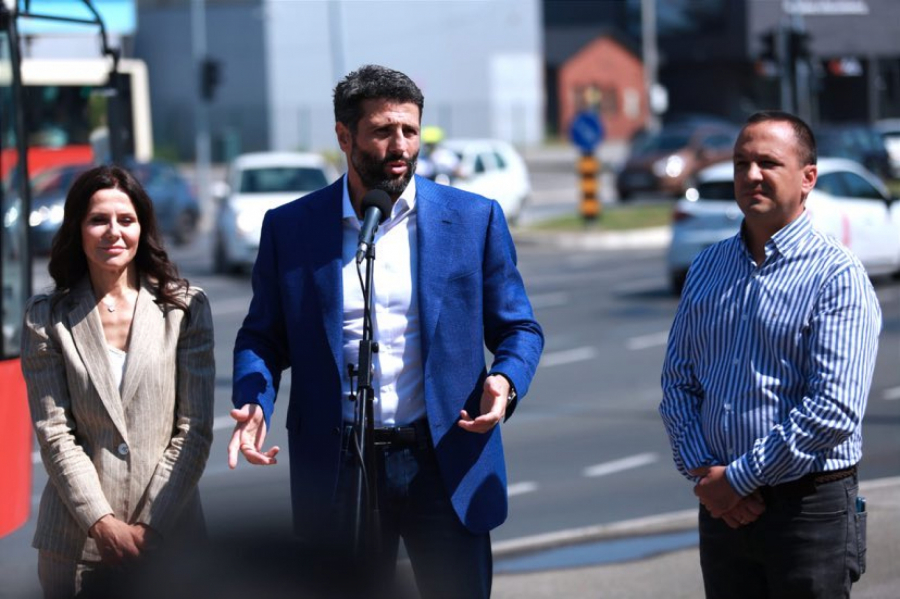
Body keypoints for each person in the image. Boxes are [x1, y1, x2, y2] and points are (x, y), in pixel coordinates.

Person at [227, 64, 543, 598]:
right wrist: (254, 399)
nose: (400, 146)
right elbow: (262, 337)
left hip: (444, 461)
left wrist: (506, 380)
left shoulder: (474, 219)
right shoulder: (291, 228)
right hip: (342, 466)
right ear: (344, 136)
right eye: (382, 131)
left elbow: (520, 328)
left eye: (409, 130)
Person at [659, 111, 881, 598]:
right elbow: (678, 383)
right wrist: (708, 475)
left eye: (768, 163)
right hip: (722, 509)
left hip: (808, 512)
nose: (751, 175)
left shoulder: (837, 275)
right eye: (741, 163)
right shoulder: (708, 266)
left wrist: (737, 479)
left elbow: (834, 409)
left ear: (807, 178)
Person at [21, 165, 215, 598]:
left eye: (126, 219)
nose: (114, 231)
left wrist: (149, 527)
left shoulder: (184, 308)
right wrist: (102, 524)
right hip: (76, 548)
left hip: (171, 543)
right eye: (98, 220)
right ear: (78, 229)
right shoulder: (45, 317)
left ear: (142, 228)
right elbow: (55, 434)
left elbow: (195, 430)